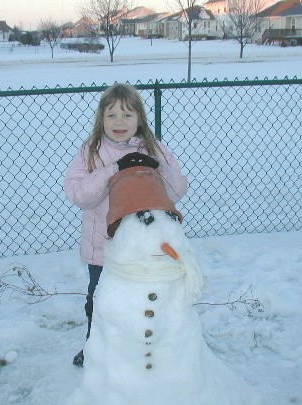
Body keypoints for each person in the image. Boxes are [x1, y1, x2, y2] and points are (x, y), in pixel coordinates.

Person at [63, 83, 188, 366]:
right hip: (102, 249)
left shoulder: (156, 148)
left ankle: (138, 347)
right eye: (112, 115)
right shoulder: (91, 151)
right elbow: (77, 193)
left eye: (127, 115)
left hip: (142, 247)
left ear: (139, 119)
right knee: (99, 300)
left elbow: (177, 189)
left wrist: (156, 166)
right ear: (101, 119)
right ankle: (95, 347)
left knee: (139, 297)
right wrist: (113, 170)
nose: (119, 122)